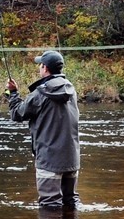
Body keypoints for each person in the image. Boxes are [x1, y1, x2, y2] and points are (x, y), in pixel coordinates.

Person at [5, 50, 81, 209]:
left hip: (49, 160)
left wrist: (13, 93)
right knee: (70, 202)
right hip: (72, 159)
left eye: (40, 65)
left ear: (45, 68)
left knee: (49, 206)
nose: (39, 68)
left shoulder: (40, 93)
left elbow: (17, 114)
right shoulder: (71, 89)